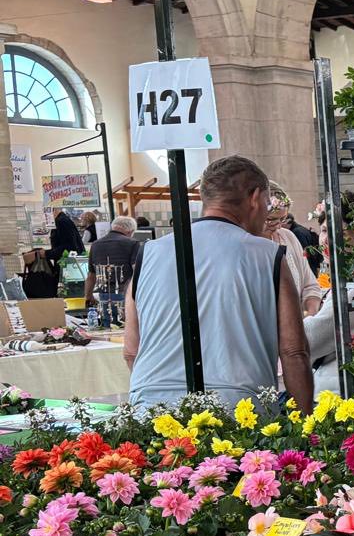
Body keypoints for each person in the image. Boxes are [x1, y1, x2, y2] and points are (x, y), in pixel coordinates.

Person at [125, 155, 313, 412]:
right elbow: (293, 351)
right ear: (256, 198)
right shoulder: (267, 254)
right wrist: (305, 423)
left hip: (151, 407)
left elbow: (131, 350)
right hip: (240, 409)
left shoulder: (149, 253)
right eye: (268, 204)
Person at [267, 184, 323, 316]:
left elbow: (310, 285)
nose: (279, 225)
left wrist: (310, 312)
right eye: (271, 220)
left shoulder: (288, 237)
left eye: (282, 219)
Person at [86, 215, 142, 327]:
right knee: (126, 328)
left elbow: (91, 275)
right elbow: (137, 271)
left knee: (108, 329)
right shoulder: (133, 243)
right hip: (126, 296)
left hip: (104, 297)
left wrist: (88, 296)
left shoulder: (95, 244)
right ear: (130, 231)